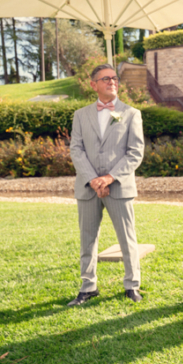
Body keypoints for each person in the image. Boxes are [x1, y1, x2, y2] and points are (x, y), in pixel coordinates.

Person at [68, 64, 144, 306]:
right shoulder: (80, 115)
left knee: (127, 238)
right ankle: (88, 286)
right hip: (87, 188)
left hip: (119, 187)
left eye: (114, 78)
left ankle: (132, 285)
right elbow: (76, 150)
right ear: (93, 85)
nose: (112, 82)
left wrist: (110, 178)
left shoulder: (131, 113)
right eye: (106, 79)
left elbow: (135, 152)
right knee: (87, 239)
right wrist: (93, 179)